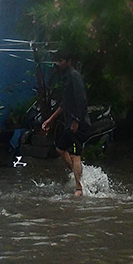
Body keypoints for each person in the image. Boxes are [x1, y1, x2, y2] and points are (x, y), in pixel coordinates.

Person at [42, 50, 91, 197]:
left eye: (62, 61)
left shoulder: (74, 76)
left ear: (69, 61)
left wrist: (76, 120)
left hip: (78, 123)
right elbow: (64, 104)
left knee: (75, 155)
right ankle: (80, 176)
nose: (59, 63)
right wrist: (50, 119)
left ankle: (79, 189)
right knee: (60, 149)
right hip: (69, 122)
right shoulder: (66, 77)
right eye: (58, 61)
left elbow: (81, 99)